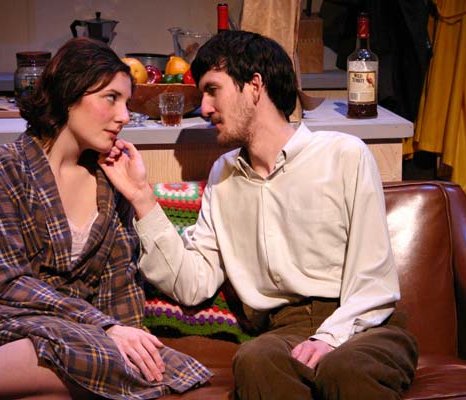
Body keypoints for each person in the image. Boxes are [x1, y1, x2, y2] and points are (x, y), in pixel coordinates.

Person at [99, 30, 419, 400]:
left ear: (254, 86)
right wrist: (141, 197)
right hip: (283, 330)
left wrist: (330, 337)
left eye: (213, 90)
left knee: (344, 369)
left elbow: (373, 278)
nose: (205, 108)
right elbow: (193, 283)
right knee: (254, 360)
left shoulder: (344, 155)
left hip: (364, 324)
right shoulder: (223, 175)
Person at [0, 37, 211, 400]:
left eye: (126, 102)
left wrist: (129, 341)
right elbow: (3, 281)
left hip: (70, 333)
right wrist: (104, 328)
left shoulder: (111, 182)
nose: (124, 116)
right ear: (68, 94)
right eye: (111, 98)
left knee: (143, 363)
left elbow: (119, 286)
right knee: (76, 348)